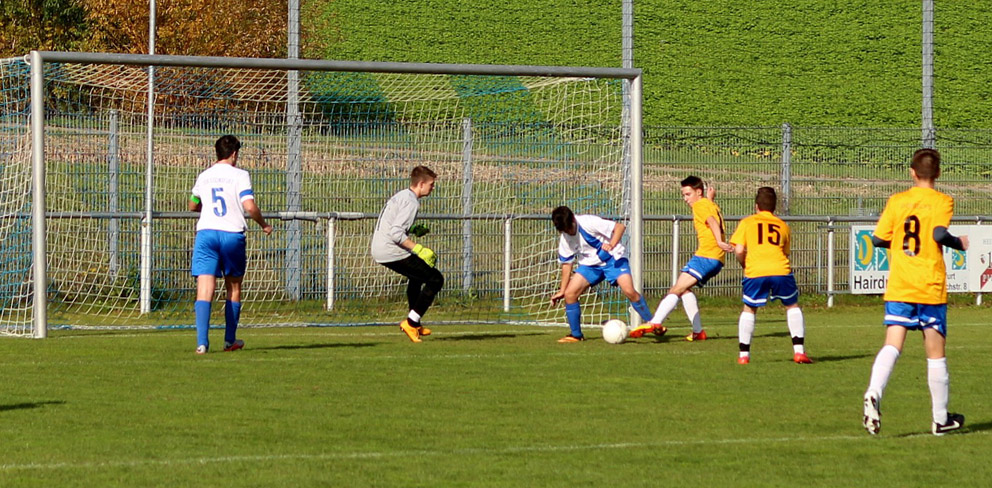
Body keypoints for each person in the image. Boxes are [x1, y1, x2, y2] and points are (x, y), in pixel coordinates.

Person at [862, 148, 967, 436]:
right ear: (939, 173)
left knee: (892, 344)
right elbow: (938, 235)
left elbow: (878, 238)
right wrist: (960, 243)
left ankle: (874, 392)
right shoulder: (943, 200)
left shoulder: (897, 201)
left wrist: (899, 245)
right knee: (935, 353)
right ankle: (940, 418)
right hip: (929, 285)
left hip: (900, 283)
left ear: (912, 172)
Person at [189, 135, 273, 355]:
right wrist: (264, 224)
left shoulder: (204, 175)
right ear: (234, 154)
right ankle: (229, 341)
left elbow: (192, 203)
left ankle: (201, 344)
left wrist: (202, 206)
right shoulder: (240, 175)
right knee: (233, 286)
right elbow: (250, 207)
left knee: (205, 287)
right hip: (231, 234)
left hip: (206, 233)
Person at [630, 176, 733, 340]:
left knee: (676, 289)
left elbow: (712, 221)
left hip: (706, 255)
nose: (685, 199)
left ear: (698, 192)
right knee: (684, 289)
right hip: (715, 258)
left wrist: (720, 241)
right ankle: (698, 331)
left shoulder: (700, 205)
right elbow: (712, 214)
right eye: (683, 195)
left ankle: (655, 322)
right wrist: (710, 197)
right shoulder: (708, 203)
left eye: (687, 194)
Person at [728, 187, 811, 365]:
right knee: (792, 305)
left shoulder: (747, 222)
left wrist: (744, 263)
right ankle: (799, 352)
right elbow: (785, 253)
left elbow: (739, 249)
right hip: (780, 269)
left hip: (755, 271)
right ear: (774, 207)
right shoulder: (783, 226)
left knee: (749, 308)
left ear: (756, 205)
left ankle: (744, 355)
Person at [549, 206, 654, 343]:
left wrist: (611, 244)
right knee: (570, 294)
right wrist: (562, 290)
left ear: (573, 219)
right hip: (591, 266)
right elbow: (566, 264)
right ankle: (576, 335)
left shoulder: (588, 222)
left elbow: (620, 227)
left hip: (613, 258)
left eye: (569, 227)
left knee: (629, 291)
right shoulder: (565, 238)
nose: (569, 232)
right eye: (565, 230)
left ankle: (654, 323)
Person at [371, 165, 444, 343]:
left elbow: (394, 224)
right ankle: (411, 322)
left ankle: (415, 323)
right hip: (389, 250)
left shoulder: (402, 195)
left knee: (417, 277)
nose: (432, 188)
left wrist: (411, 229)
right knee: (435, 279)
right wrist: (418, 249)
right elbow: (396, 233)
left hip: (381, 246)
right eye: (431, 184)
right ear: (421, 184)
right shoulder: (412, 201)